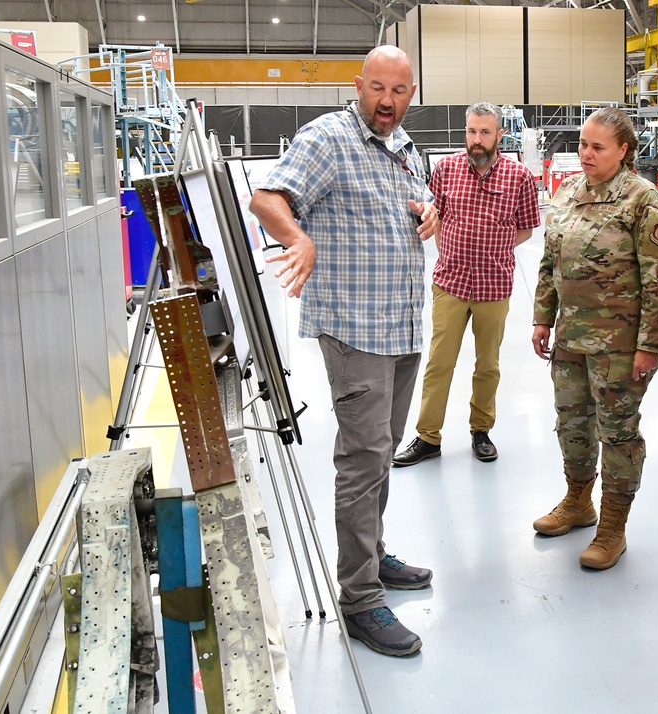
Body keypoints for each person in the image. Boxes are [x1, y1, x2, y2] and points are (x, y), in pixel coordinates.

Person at [249, 45, 439, 658]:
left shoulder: (405, 144)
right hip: (357, 328)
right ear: (359, 84)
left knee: (381, 450)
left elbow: (415, 203)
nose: (387, 102)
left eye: (400, 91)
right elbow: (267, 198)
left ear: (412, 93)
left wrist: (428, 212)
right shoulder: (328, 138)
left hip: (403, 324)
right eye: (378, 89)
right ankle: (359, 597)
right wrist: (298, 236)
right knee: (362, 459)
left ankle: (373, 554)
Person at [531, 107, 658, 570]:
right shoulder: (569, 191)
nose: (586, 154)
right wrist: (542, 317)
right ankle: (578, 500)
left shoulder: (641, 199)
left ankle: (613, 525)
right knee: (571, 422)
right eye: (582, 145)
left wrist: (652, 346)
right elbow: (549, 262)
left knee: (617, 432)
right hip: (570, 337)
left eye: (597, 147)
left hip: (619, 343)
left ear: (624, 150)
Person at [392, 101, 541, 467]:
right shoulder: (445, 170)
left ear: (499, 135)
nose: (477, 140)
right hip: (451, 283)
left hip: (494, 284)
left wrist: (496, 246)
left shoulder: (518, 176)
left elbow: (527, 225)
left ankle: (481, 430)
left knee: (487, 364)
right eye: (472, 132)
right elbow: (434, 215)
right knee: (439, 362)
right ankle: (428, 436)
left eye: (485, 132)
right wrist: (448, 248)